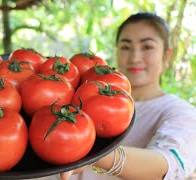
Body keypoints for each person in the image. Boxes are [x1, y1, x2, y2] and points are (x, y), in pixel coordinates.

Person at [59, 12, 196, 180]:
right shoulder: (83, 95)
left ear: (167, 55)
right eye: (125, 47)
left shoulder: (180, 112)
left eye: (147, 47)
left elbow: (167, 165)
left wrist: (96, 155)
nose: (135, 58)